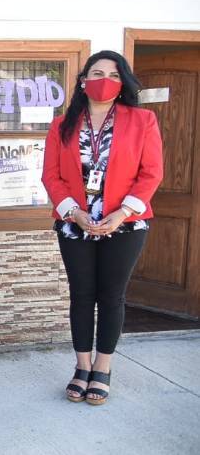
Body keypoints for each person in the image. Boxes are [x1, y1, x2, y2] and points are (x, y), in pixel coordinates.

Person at [42, 50, 163, 406]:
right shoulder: (61, 124)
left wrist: (123, 212)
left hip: (125, 223)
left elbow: (151, 173)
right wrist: (74, 212)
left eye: (113, 74)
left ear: (122, 82)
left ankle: (103, 368)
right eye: (97, 73)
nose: (104, 80)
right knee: (81, 294)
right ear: (82, 80)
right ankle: (81, 366)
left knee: (111, 296)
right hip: (74, 222)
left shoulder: (143, 121)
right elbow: (51, 175)